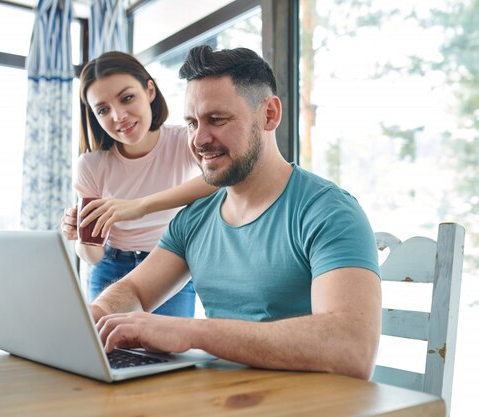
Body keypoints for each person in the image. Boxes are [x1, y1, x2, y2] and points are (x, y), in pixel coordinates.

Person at [90, 45, 382, 380]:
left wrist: (192, 332)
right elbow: (134, 291)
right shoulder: (195, 218)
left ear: (269, 115)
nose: (199, 139)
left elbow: (352, 348)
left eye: (216, 120)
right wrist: (96, 315)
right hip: (221, 399)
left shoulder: (328, 211)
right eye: (191, 123)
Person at [61, 51, 217, 317]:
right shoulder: (91, 165)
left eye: (127, 98)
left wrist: (140, 206)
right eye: (103, 110)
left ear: (150, 91)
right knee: (107, 355)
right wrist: (80, 237)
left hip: (170, 265)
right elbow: (93, 257)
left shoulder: (183, 141)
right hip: (111, 268)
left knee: (168, 357)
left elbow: (218, 181)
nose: (118, 116)